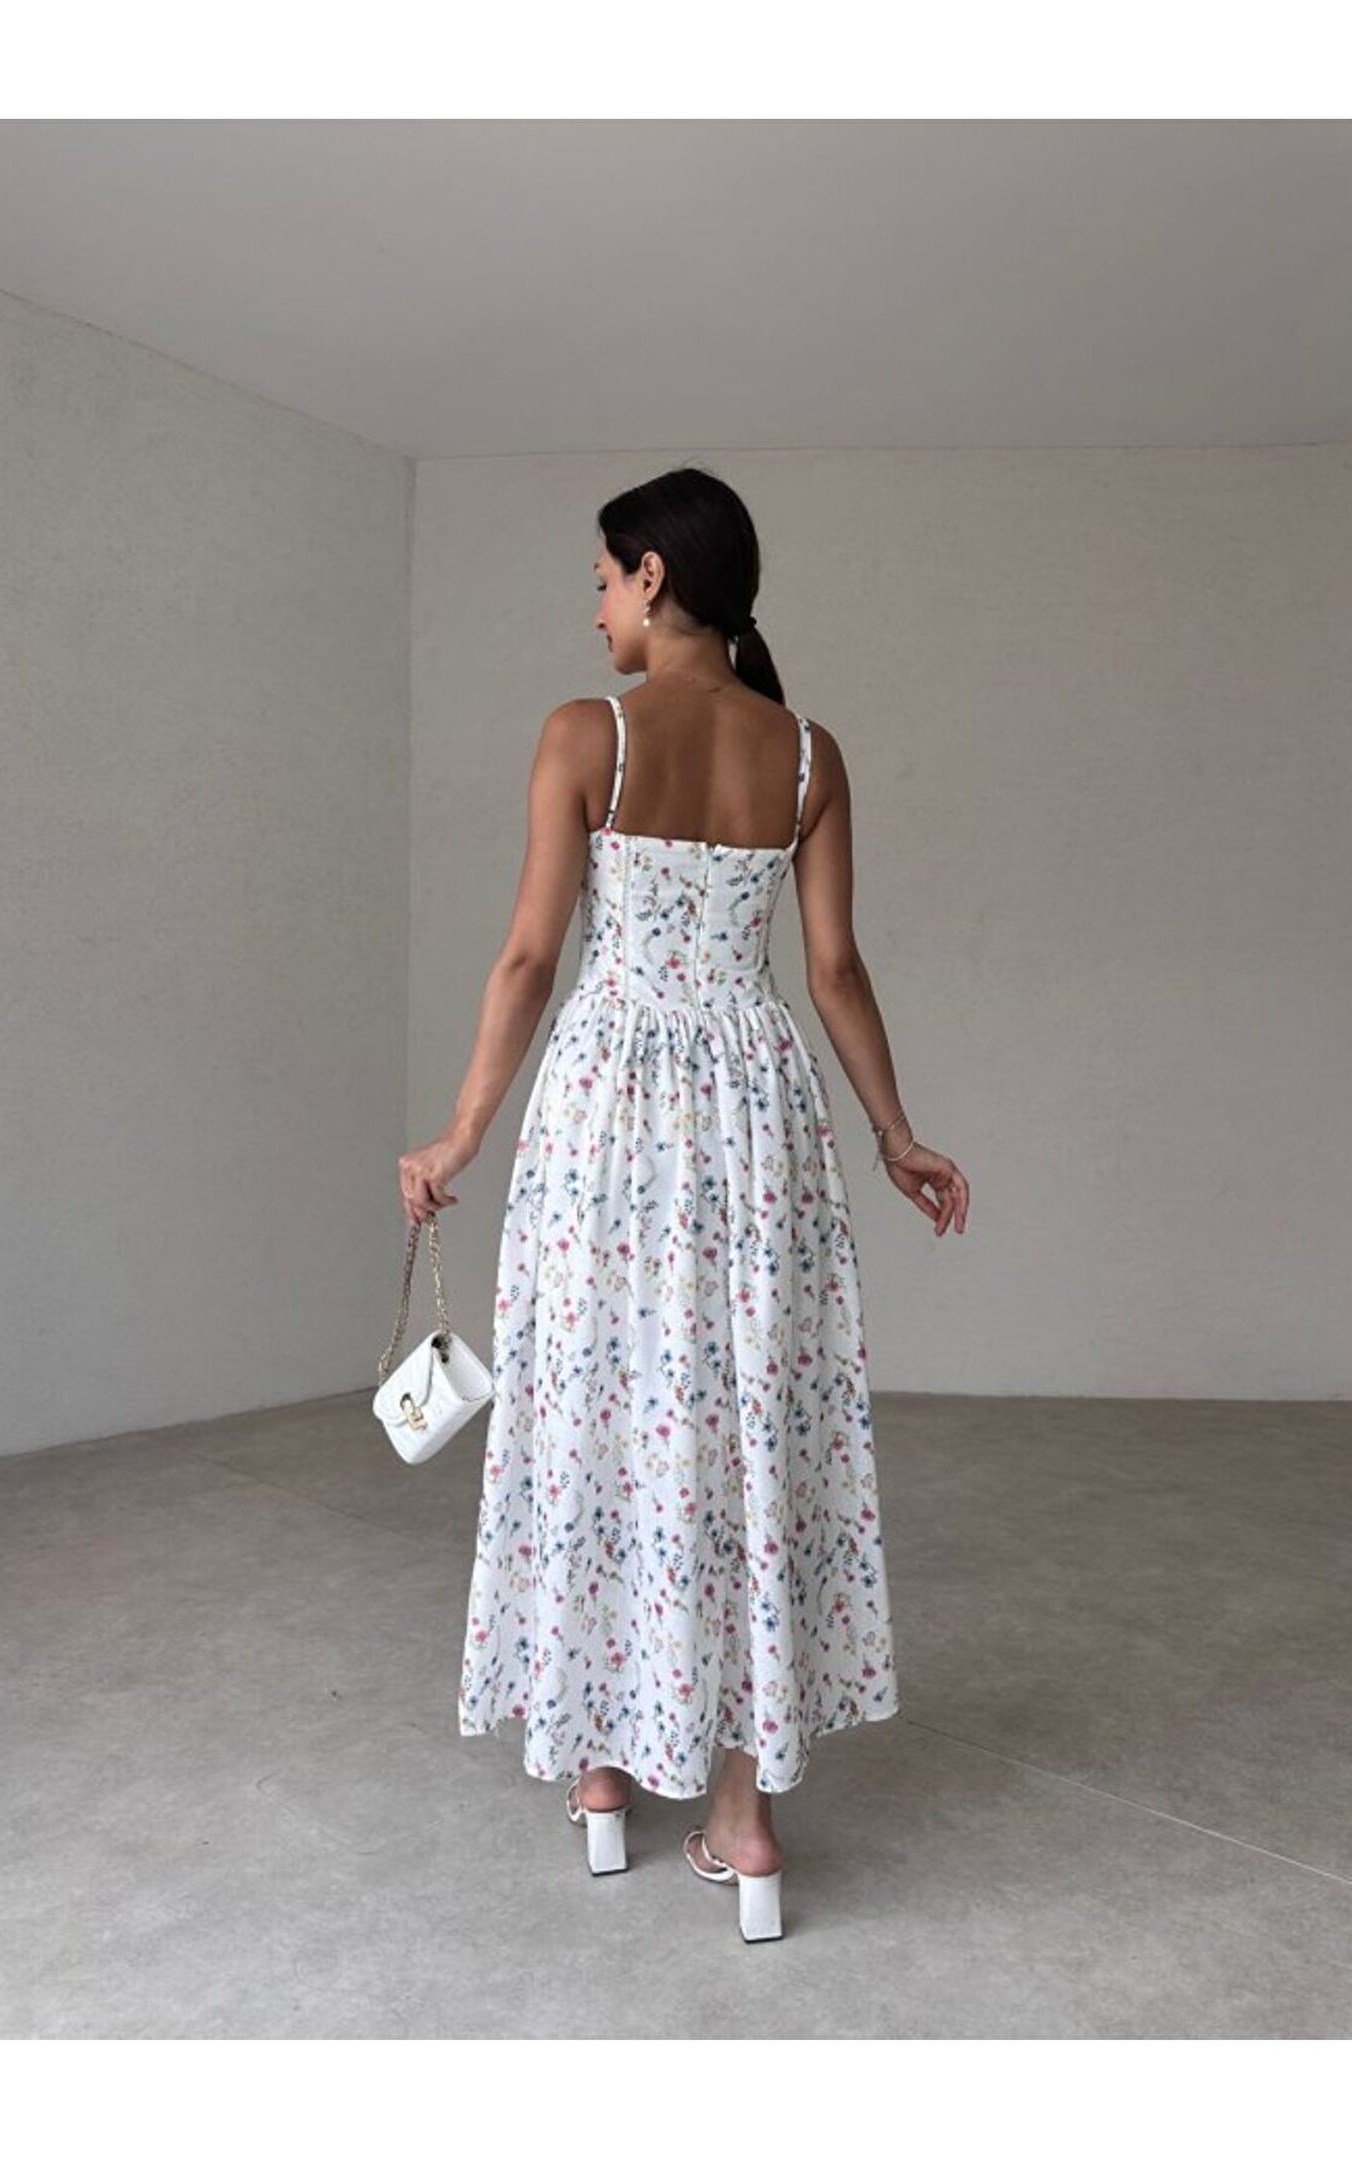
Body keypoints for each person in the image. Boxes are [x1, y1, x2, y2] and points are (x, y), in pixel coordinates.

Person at [397, 465, 970, 1942]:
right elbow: (833, 971)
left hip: (608, 1108)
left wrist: (460, 1134)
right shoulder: (808, 754)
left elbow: (530, 960)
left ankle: (597, 1769)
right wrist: (897, 1134)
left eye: (602, 581)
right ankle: (743, 1817)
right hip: (755, 1115)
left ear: (655, 575)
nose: (593, 612)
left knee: (598, 1407)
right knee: (741, 1424)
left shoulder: (584, 734)